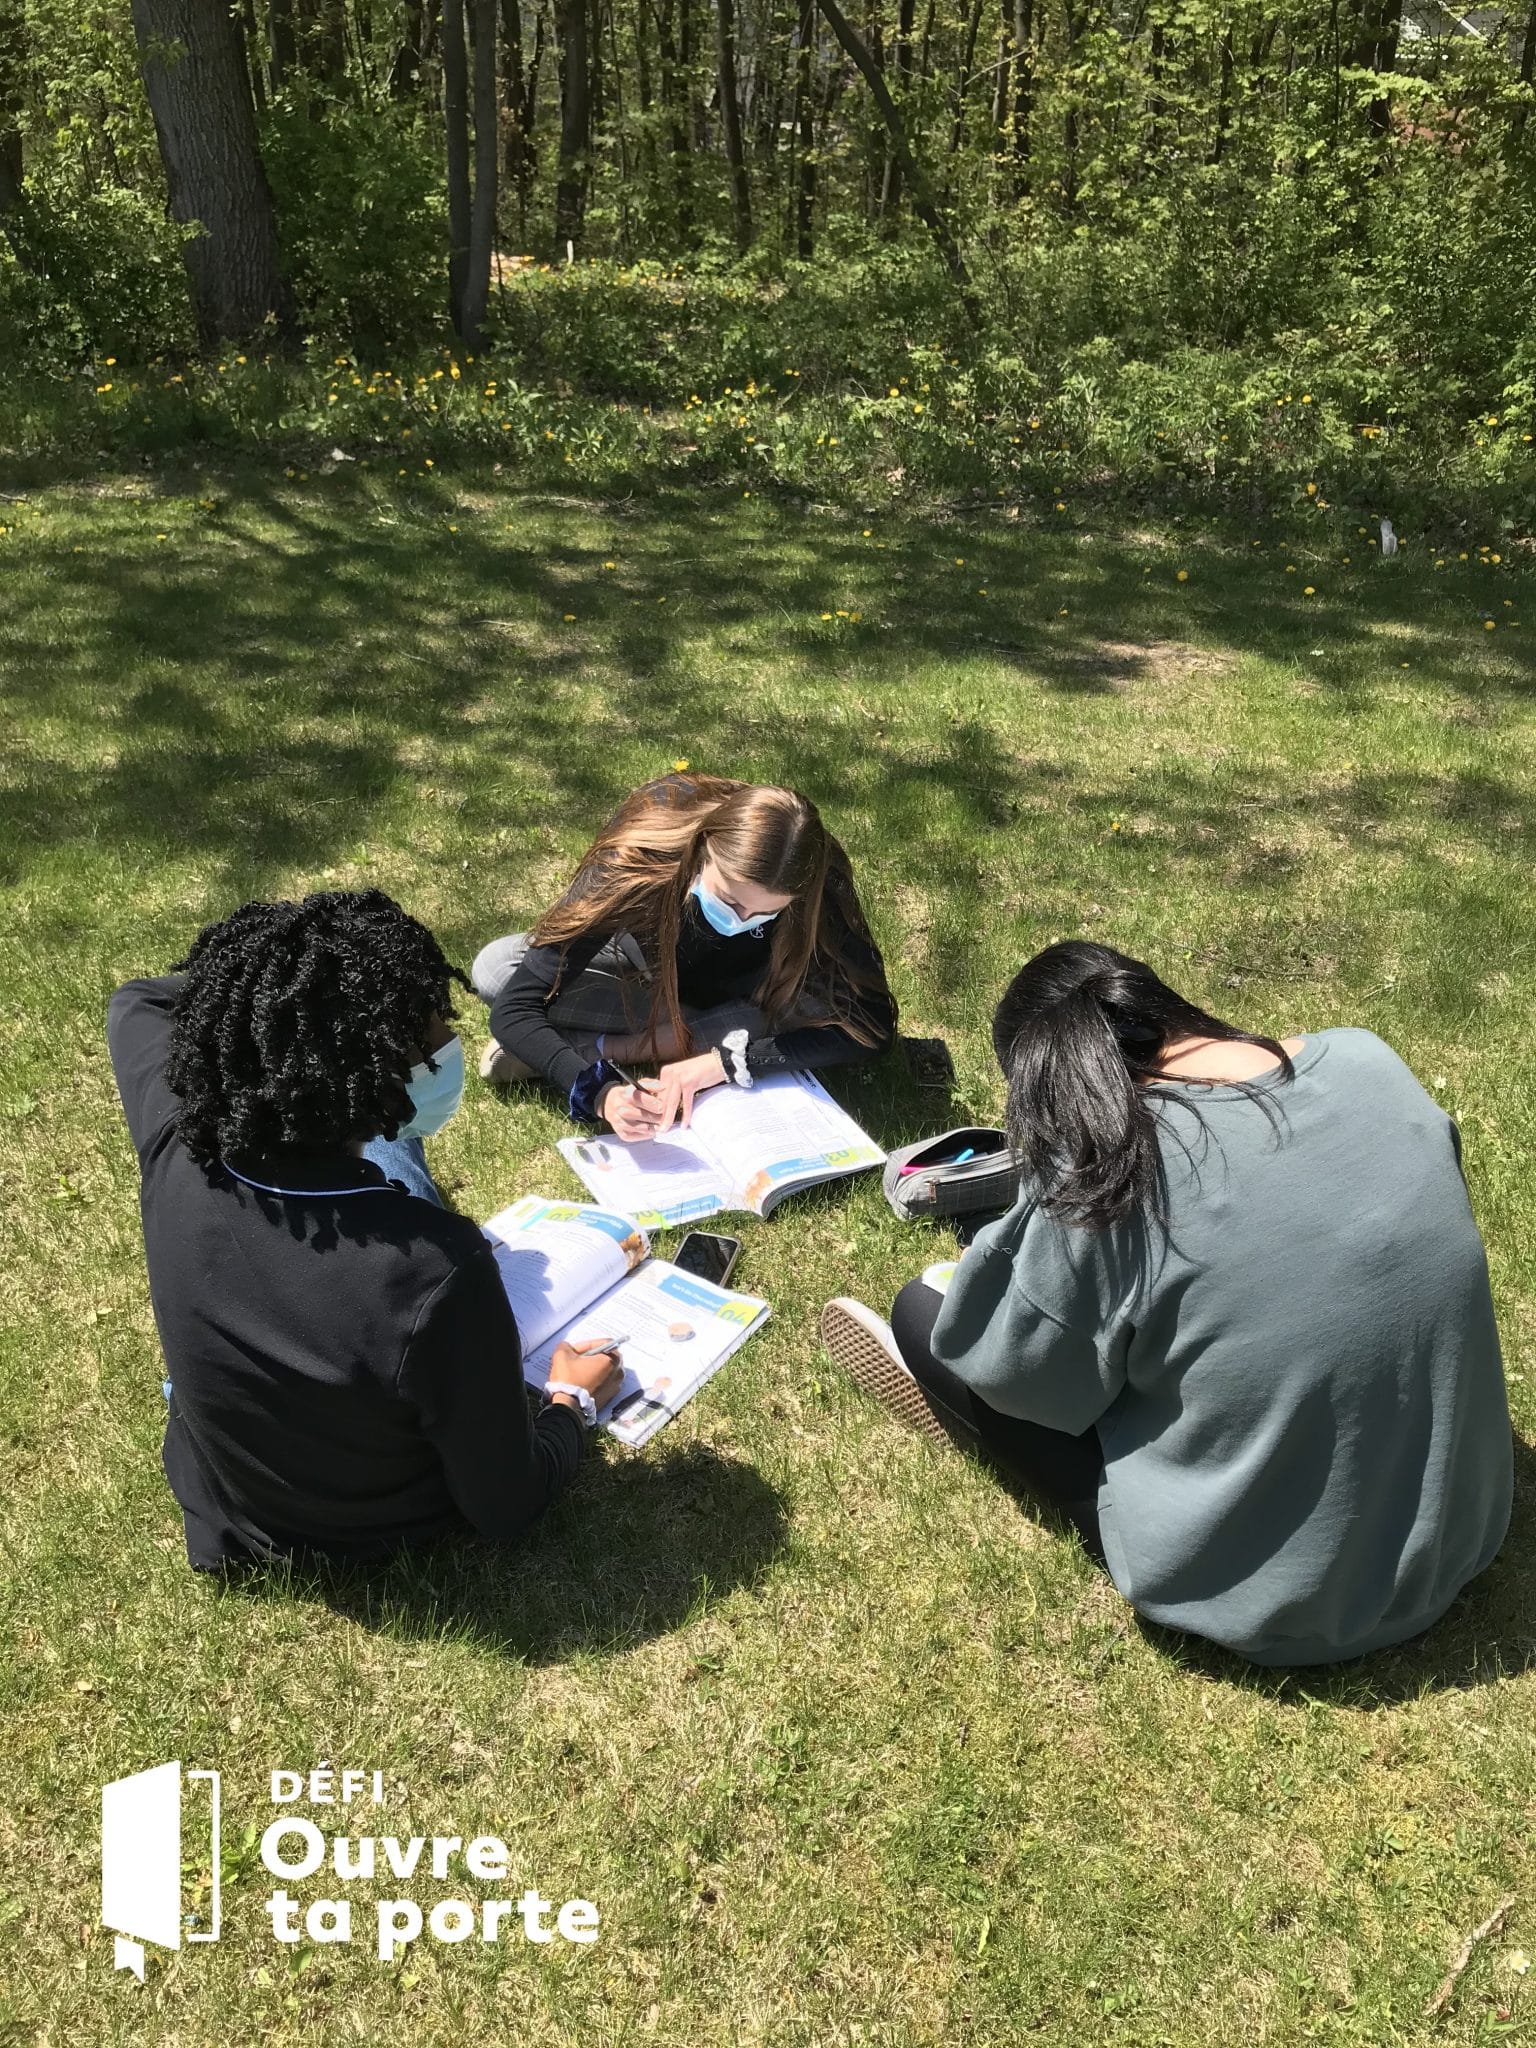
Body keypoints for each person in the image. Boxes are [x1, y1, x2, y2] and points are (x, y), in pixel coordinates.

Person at [821, 940, 1512, 1667]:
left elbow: (1018, 1382)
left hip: (1277, 1597)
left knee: (925, 1316)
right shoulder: (1369, 1059)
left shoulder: (1110, 1174)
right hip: (1457, 1529)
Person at [107, 888, 621, 1573]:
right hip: (370, 1530)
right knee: (391, 1153)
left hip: (225, 1493)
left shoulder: (177, 1140)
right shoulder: (435, 1266)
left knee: (384, 1148)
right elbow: (508, 1504)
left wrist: (275, 999)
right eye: (436, 1024)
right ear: (372, 1068)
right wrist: (570, 1401)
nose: (452, 1037)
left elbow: (138, 1001)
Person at [473, 773, 897, 1142]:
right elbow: (515, 1006)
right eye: (728, 900)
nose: (740, 920)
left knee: (814, 1011)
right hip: (648, 973)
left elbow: (873, 1026)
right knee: (496, 968)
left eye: (767, 912)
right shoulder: (637, 858)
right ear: (701, 849)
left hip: (753, 998)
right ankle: (666, 1038)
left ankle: (601, 1046)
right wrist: (598, 1092)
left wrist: (726, 1063)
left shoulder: (819, 879)